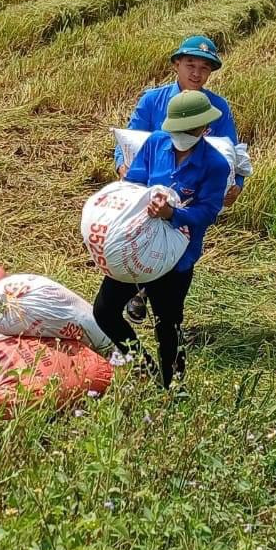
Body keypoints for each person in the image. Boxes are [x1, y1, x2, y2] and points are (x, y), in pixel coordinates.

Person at [92, 90, 230, 390]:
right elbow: (134, 182)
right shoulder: (156, 143)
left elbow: (207, 212)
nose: (179, 136)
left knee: (167, 325)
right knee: (104, 311)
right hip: (137, 247)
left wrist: (172, 213)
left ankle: (173, 387)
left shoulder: (215, 165)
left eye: (188, 131)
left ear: (203, 129)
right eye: (175, 130)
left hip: (176, 259)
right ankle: (143, 364)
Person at [114, 34, 242, 324]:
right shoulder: (152, 101)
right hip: (148, 184)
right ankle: (140, 288)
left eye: (204, 69)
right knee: (139, 236)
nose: (196, 74)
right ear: (176, 65)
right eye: (190, 65)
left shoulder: (217, 110)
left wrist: (236, 185)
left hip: (189, 195)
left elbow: (231, 153)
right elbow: (129, 140)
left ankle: (155, 303)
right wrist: (123, 167)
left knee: (177, 247)